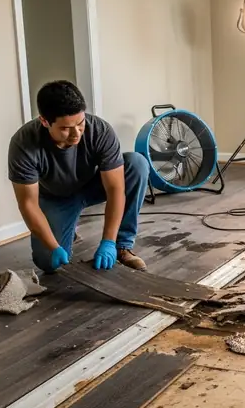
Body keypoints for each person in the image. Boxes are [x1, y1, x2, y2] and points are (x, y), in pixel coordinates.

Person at [8, 80, 150, 273]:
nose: (76, 134)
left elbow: (115, 189)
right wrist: (54, 247)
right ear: (44, 121)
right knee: (48, 263)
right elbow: (28, 204)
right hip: (55, 198)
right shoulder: (24, 144)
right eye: (66, 128)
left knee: (136, 164)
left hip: (91, 186)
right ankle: (66, 229)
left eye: (80, 123)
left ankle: (121, 247)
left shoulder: (100, 130)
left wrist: (108, 241)